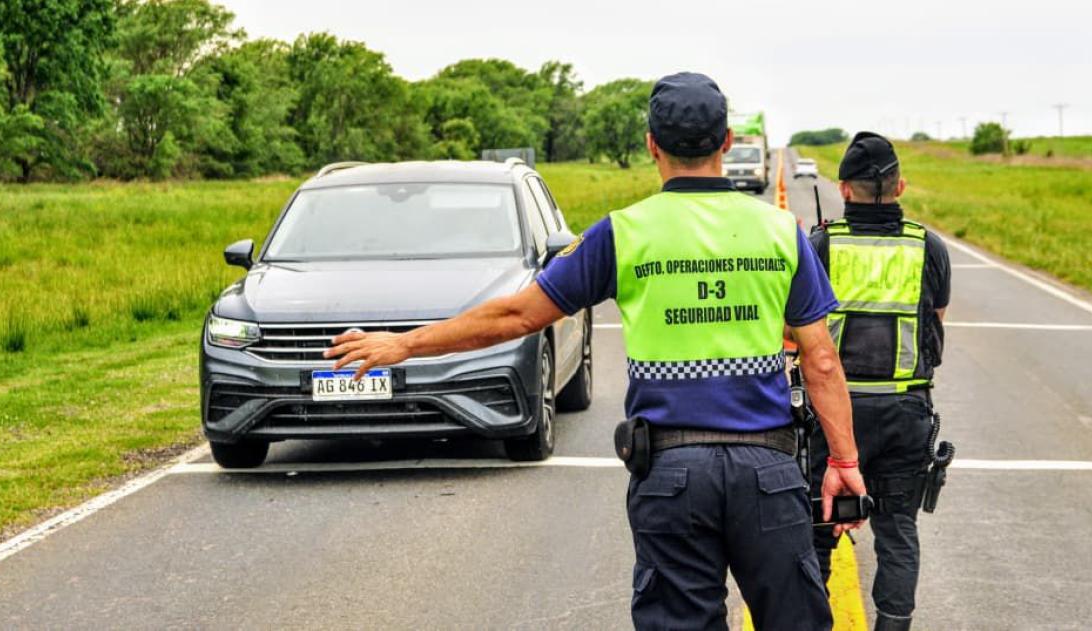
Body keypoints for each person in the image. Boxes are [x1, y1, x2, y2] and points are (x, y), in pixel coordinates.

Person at [325, 72, 867, 631]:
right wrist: (845, 462)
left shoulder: (623, 233)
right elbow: (821, 361)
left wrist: (406, 342)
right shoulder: (781, 231)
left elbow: (519, 315)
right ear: (727, 141)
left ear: (651, 144)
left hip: (672, 476)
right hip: (767, 471)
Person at [806, 132, 951, 631]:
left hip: (832, 413)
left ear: (844, 189)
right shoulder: (927, 246)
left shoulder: (822, 243)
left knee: (819, 532)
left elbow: (794, 327)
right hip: (903, 412)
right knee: (897, 531)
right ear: (900, 186)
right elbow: (936, 318)